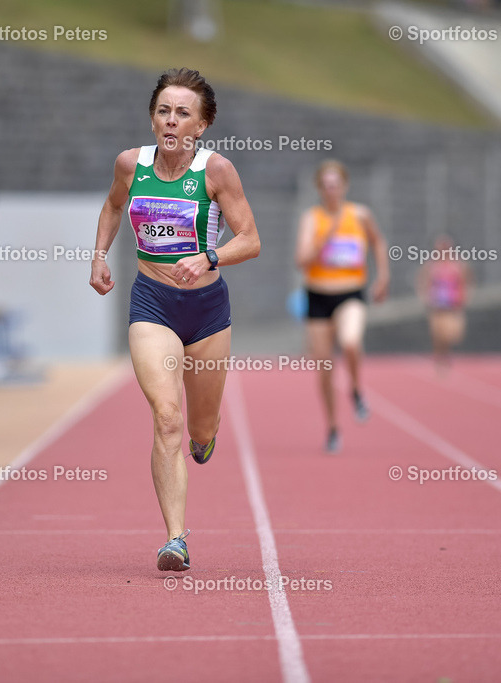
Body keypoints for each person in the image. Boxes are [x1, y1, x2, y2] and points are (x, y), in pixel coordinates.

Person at [90, 68, 260, 571]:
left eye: (183, 113)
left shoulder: (216, 172)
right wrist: (99, 254)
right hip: (153, 305)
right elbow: (112, 207)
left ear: (201, 126)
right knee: (167, 417)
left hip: (207, 312)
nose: (171, 120)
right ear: (151, 117)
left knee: (200, 427)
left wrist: (209, 257)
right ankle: (175, 539)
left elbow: (250, 239)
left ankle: (204, 439)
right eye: (163, 110)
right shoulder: (129, 164)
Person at [295, 160, 388, 453]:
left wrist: (383, 276)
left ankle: (357, 389)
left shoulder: (360, 214)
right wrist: (324, 239)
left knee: (350, 341)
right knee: (324, 369)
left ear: (345, 186)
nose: (332, 189)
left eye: (336, 184)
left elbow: (378, 242)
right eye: (326, 185)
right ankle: (333, 427)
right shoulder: (312, 219)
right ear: (320, 188)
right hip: (318, 296)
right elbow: (301, 261)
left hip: (351, 293)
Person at [417, 235, 472, 372]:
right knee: (437, 334)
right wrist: (425, 297)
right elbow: (423, 281)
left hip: (452, 305)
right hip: (437, 305)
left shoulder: (458, 265)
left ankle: (446, 353)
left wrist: (464, 297)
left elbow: (466, 281)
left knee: (451, 334)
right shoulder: (432, 266)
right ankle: (440, 357)